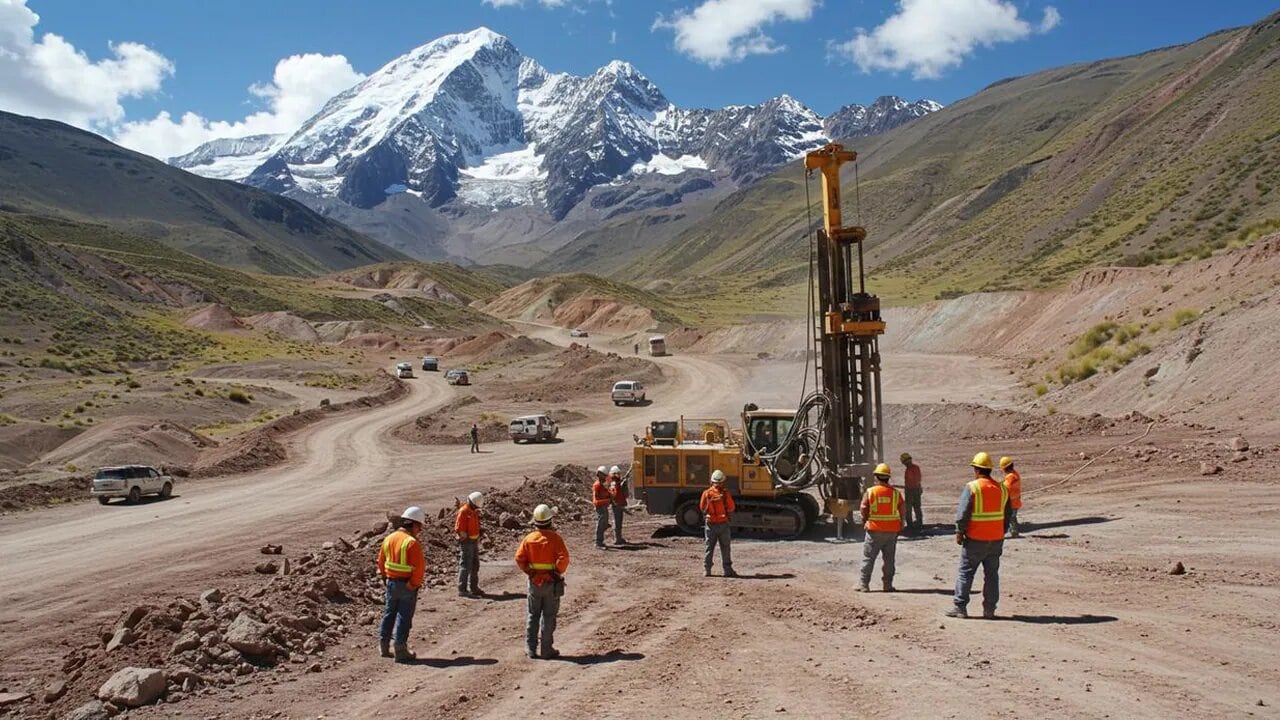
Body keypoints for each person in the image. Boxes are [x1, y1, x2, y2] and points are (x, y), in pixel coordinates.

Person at [946, 452, 1011, 620]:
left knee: (966, 573)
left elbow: (963, 514)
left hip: (975, 539)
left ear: (976, 469)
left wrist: (959, 532)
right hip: (996, 540)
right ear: (989, 470)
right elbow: (1007, 515)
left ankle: (960, 607)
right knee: (992, 574)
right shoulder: (1002, 488)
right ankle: (989, 610)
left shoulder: (972, 487)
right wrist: (1000, 532)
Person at [515, 504, 570, 659]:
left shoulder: (529, 538)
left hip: (534, 584)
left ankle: (531, 649)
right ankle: (546, 650)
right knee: (549, 616)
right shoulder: (555, 539)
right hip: (551, 584)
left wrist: (531, 573)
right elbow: (564, 558)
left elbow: (519, 558)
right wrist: (556, 572)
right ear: (550, 521)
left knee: (533, 615)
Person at [377, 506, 426, 662]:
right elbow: (419, 568)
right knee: (404, 617)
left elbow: (381, 561)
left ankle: (384, 646)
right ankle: (400, 650)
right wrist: (413, 584)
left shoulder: (389, 538)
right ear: (413, 524)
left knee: (389, 614)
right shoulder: (411, 543)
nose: (419, 530)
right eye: (419, 527)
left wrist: (386, 578)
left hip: (391, 583)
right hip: (406, 585)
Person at [859, 463, 903, 592]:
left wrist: (865, 520)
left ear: (876, 477)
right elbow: (902, 510)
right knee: (889, 560)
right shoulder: (896, 493)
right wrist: (901, 525)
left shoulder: (871, 491)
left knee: (868, 558)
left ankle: (864, 584)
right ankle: (887, 585)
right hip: (891, 531)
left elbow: (863, 508)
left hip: (874, 530)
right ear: (888, 477)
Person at [700, 470, 737, 577]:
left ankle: (707, 570)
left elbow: (702, 507)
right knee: (725, 548)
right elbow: (731, 507)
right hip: (723, 524)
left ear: (711, 481)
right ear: (722, 482)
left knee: (709, 547)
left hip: (710, 524)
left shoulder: (706, 493)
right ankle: (727, 570)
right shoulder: (725, 494)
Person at [455, 491, 483, 597]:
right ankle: (462, 589)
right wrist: (463, 538)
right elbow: (459, 528)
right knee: (466, 565)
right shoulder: (464, 511)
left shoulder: (473, 511)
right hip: (467, 542)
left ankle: (474, 587)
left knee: (475, 565)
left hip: (473, 541)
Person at [1000, 456, 1022, 538]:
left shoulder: (1011, 477)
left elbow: (1006, 488)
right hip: (1015, 502)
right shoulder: (1015, 474)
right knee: (1012, 518)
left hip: (1011, 503)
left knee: (1008, 518)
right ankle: (1014, 532)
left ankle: (1011, 532)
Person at [901, 452, 924, 532]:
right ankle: (919, 523)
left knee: (909, 508)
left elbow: (912, 481)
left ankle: (910, 525)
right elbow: (917, 480)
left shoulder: (910, 469)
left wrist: (909, 488)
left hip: (911, 491)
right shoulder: (916, 468)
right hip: (916, 490)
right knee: (917, 507)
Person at [591, 466, 611, 548]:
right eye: (604, 476)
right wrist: (607, 500)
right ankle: (598, 542)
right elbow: (596, 500)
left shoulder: (601, 485)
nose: (605, 478)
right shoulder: (597, 485)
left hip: (603, 506)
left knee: (603, 524)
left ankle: (600, 541)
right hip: (600, 507)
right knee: (600, 524)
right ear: (600, 475)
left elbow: (606, 494)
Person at [608, 465, 627, 545]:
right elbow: (614, 495)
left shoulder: (616, 484)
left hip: (619, 504)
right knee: (616, 522)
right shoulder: (614, 485)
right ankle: (617, 539)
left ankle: (618, 537)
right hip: (617, 505)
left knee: (618, 522)